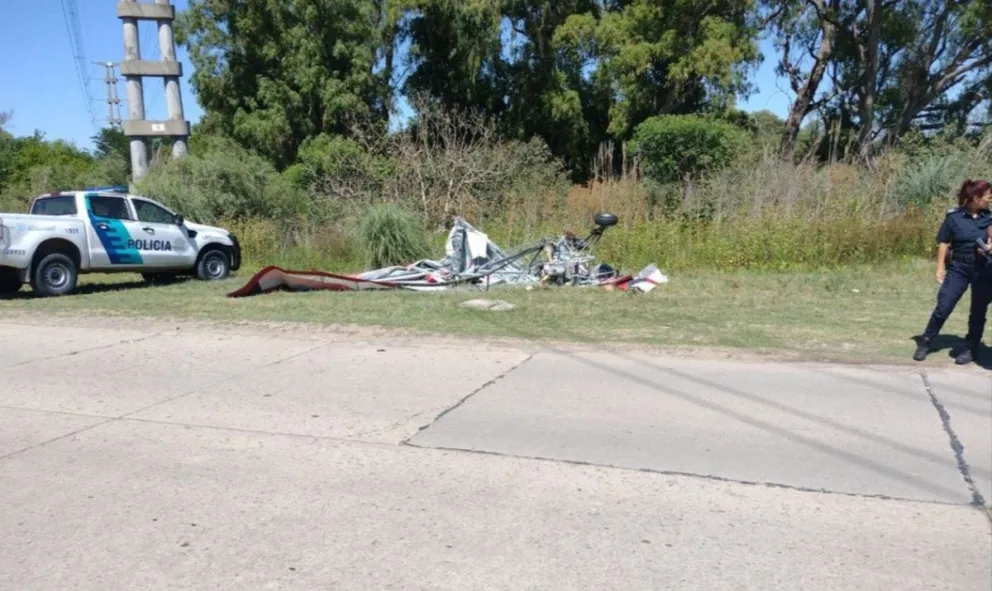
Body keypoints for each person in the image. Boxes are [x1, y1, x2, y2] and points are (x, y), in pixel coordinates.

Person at [914, 179, 992, 364]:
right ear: (975, 197)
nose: (991, 199)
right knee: (944, 306)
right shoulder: (953, 217)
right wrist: (939, 268)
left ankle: (971, 347)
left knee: (978, 311)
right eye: (989, 196)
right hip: (959, 268)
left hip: (984, 269)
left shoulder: (990, 218)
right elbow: (944, 242)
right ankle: (926, 341)